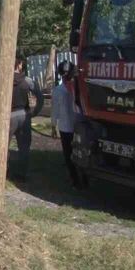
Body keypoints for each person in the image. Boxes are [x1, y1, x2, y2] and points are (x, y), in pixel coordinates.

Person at [52, 60, 81, 188]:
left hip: (66, 127)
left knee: (69, 154)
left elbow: (55, 110)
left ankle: (75, 180)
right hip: (79, 125)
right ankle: (83, 178)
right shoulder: (78, 88)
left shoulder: (58, 90)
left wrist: (53, 126)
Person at [9, 57, 33, 182]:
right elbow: (39, 97)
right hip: (24, 114)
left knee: (3, 145)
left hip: (9, 116)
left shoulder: (4, 80)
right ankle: (22, 174)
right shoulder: (27, 80)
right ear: (19, 65)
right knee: (24, 146)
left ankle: (3, 171)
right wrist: (35, 112)